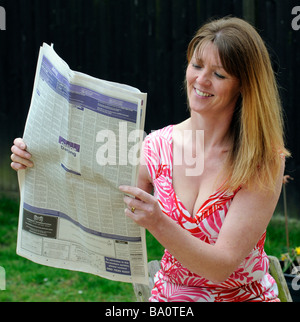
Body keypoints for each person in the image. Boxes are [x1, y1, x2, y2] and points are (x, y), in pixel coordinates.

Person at [11, 17, 290, 302]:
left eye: (219, 74)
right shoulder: (156, 146)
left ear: (244, 86)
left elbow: (220, 267)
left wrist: (158, 222)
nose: (201, 80)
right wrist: (37, 163)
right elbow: (95, 203)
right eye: (196, 65)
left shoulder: (263, 158)